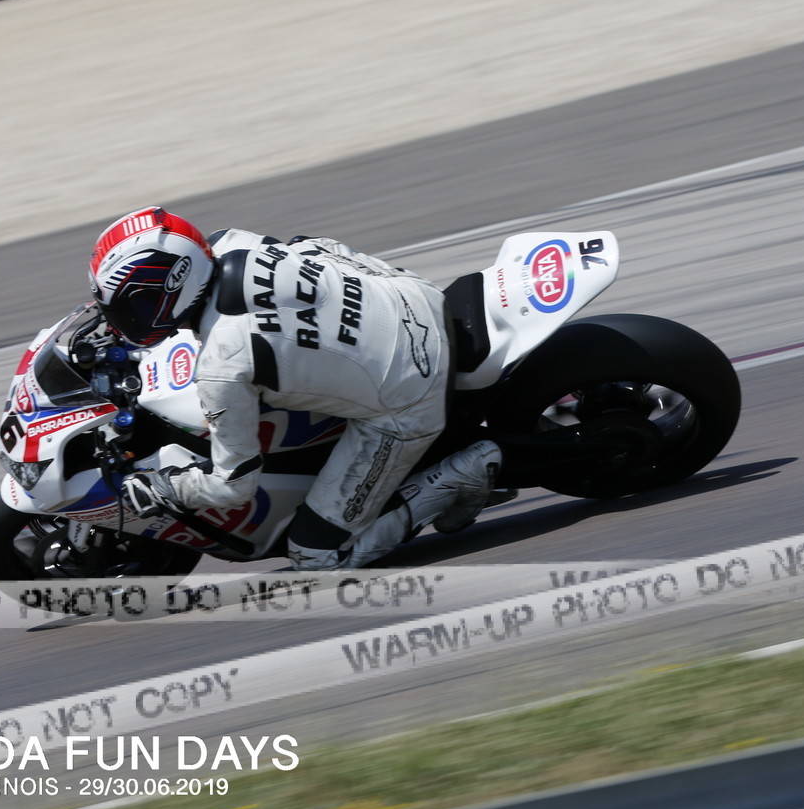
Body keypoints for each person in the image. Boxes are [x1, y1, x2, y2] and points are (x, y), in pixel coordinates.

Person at [89, 206, 502, 570]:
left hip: (413, 391)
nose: (125, 320)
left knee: (315, 556)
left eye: (134, 306)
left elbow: (234, 485)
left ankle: (460, 473)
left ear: (175, 283)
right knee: (309, 248)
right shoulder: (230, 242)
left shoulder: (222, 366)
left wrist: (164, 488)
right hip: (412, 294)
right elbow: (313, 249)